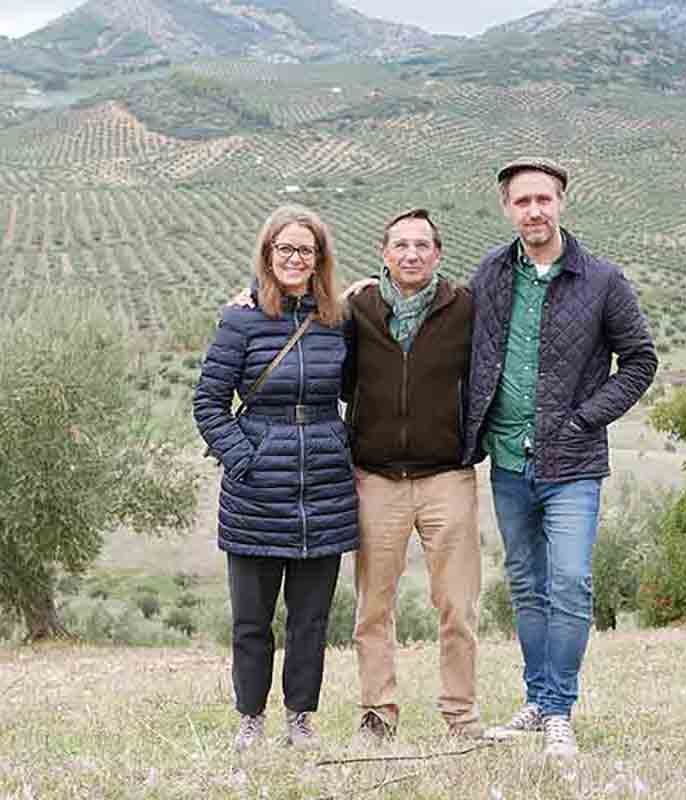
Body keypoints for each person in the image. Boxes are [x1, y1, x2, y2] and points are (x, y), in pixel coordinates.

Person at [464, 159, 658, 758]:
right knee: (526, 585)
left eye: (544, 199)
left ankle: (559, 711)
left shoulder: (601, 279)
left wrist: (583, 418)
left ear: (562, 203)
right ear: (507, 209)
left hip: (572, 461)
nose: (534, 211)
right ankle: (537, 699)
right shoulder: (491, 273)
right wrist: (365, 291)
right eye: (522, 201)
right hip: (508, 460)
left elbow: (641, 360)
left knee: (570, 583)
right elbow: (444, 320)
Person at [193, 205, 358, 754]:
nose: (294, 258)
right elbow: (209, 404)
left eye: (305, 250)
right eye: (284, 248)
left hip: (324, 490)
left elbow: (362, 389)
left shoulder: (338, 320)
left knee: (310, 621)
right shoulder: (240, 320)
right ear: (267, 254)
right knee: (252, 622)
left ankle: (301, 719)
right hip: (256, 493)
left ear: (319, 260)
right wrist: (246, 459)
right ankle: (251, 718)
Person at [345, 208, 481, 741]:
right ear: (384, 253)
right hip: (375, 480)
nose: (411, 254)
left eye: (422, 245)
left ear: (439, 254)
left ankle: (461, 714)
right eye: (400, 245)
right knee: (373, 606)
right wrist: (244, 295)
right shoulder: (357, 307)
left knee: (457, 604)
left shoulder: (465, 307)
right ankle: (378, 713)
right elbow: (294, 301)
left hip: (448, 476)